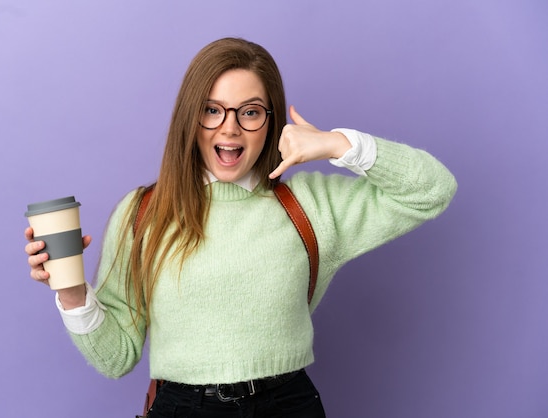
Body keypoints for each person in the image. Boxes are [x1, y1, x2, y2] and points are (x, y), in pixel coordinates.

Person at [25, 37, 457, 417]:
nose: (229, 128)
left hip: (290, 405)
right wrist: (72, 291)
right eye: (211, 110)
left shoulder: (312, 205)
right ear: (190, 119)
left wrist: (337, 144)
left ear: (270, 122)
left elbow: (433, 189)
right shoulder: (144, 213)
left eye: (249, 112)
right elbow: (115, 358)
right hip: (182, 410)